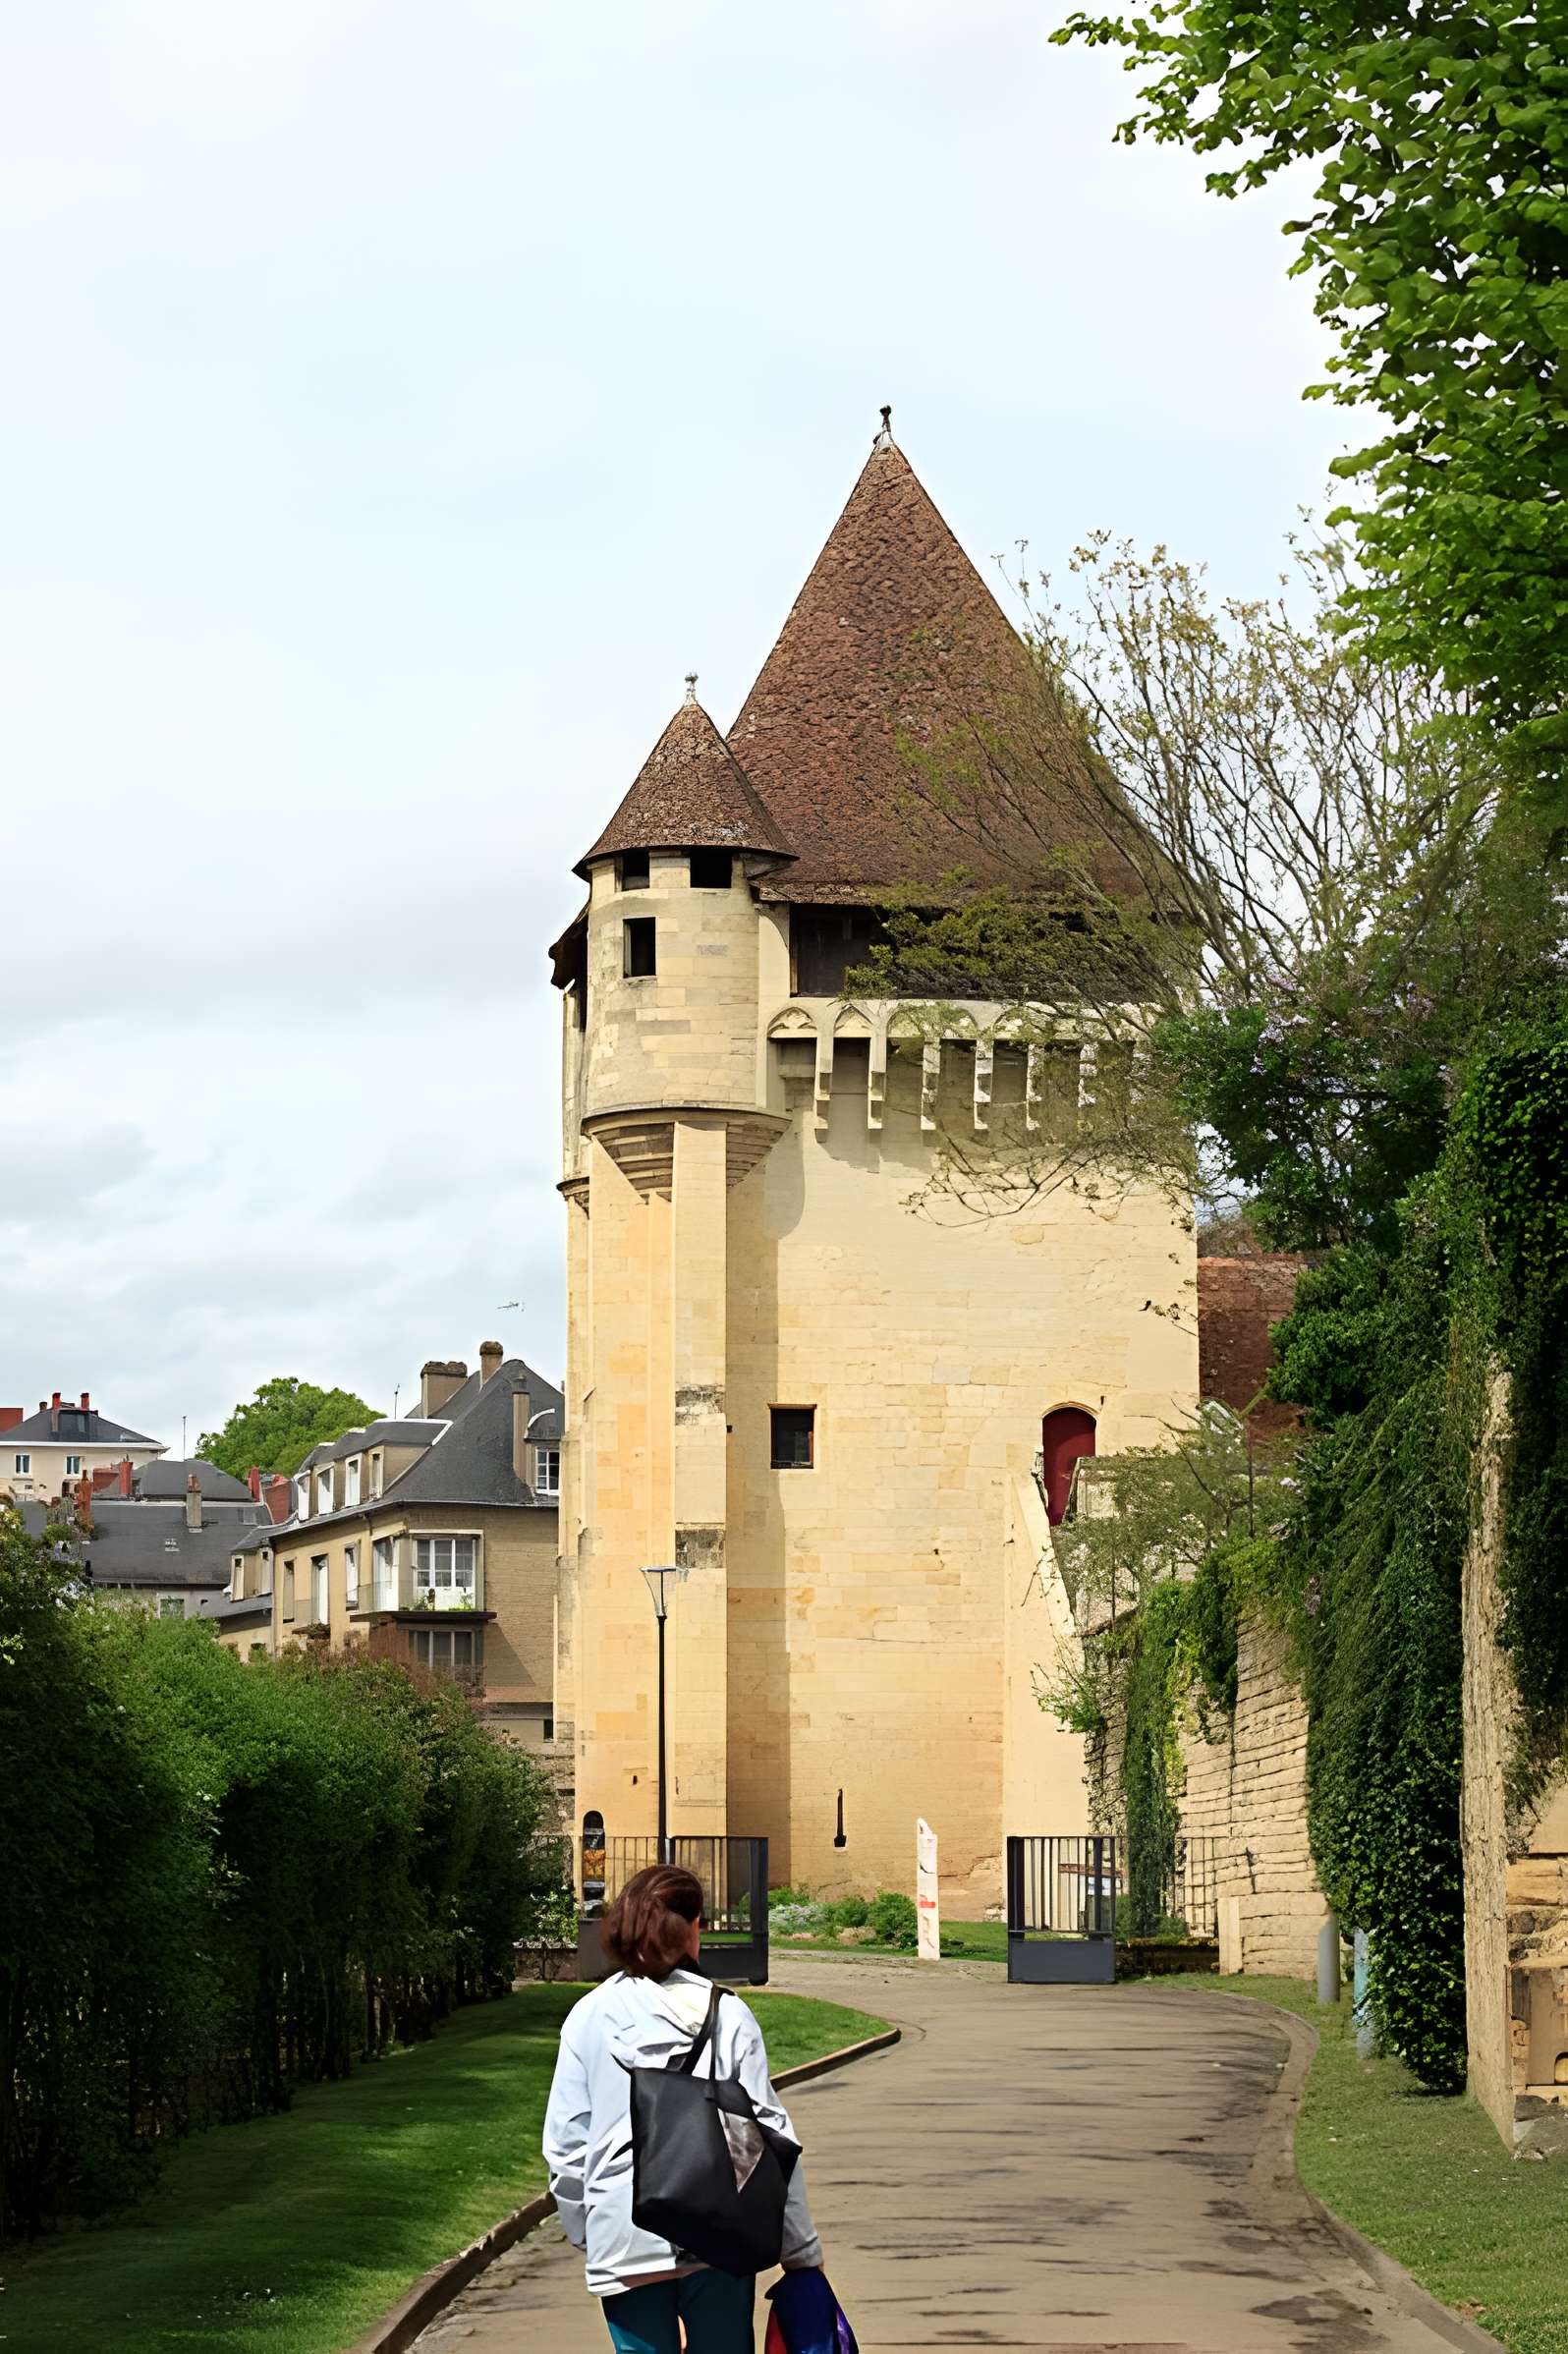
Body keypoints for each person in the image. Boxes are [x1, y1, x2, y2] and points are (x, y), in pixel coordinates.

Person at [544, 1863, 823, 2353]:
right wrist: (800, 2250)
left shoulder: (588, 2017)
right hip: (718, 2227)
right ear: (691, 1928)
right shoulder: (727, 2013)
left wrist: (589, 2230)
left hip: (624, 2225)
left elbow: (567, 2143)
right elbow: (768, 2138)